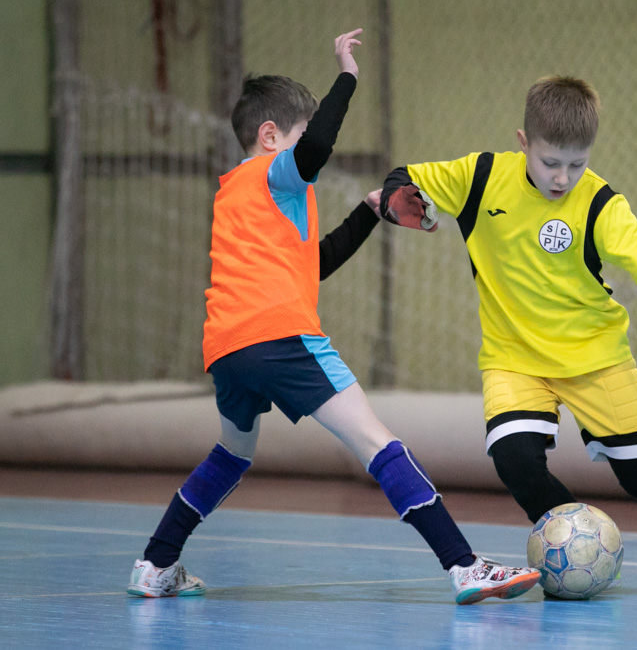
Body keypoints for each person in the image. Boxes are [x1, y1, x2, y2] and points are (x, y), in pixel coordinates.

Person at [127, 29, 540, 605]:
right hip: (281, 337)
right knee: (378, 442)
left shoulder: (235, 193)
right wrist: (347, 75)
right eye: (297, 135)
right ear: (270, 136)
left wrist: (368, 211)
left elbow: (313, 264)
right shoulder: (274, 173)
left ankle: (155, 564)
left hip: (227, 348)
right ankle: (465, 566)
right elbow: (316, 147)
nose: (308, 151)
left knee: (232, 454)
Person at [376, 76, 637, 528]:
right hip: (514, 360)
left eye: (577, 164)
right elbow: (405, 177)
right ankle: (575, 539)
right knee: (515, 462)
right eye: (550, 162)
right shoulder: (481, 178)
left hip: (595, 358)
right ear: (523, 142)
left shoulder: (601, 204)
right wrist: (396, 197)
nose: (563, 178)